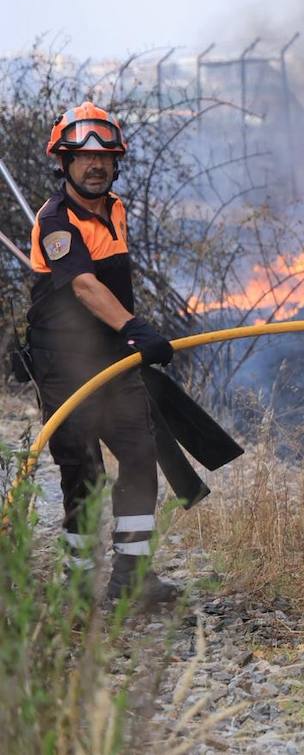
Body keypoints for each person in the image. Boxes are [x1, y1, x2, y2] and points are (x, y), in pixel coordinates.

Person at [28, 102, 177, 605]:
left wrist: (126, 337)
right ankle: (77, 587)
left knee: (139, 456)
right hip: (65, 364)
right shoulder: (54, 221)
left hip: (113, 360)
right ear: (64, 162)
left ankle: (132, 582)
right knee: (83, 472)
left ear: (116, 163)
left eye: (105, 158)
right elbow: (86, 288)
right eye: (84, 158)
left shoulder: (115, 208)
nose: (96, 166)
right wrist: (136, 327)